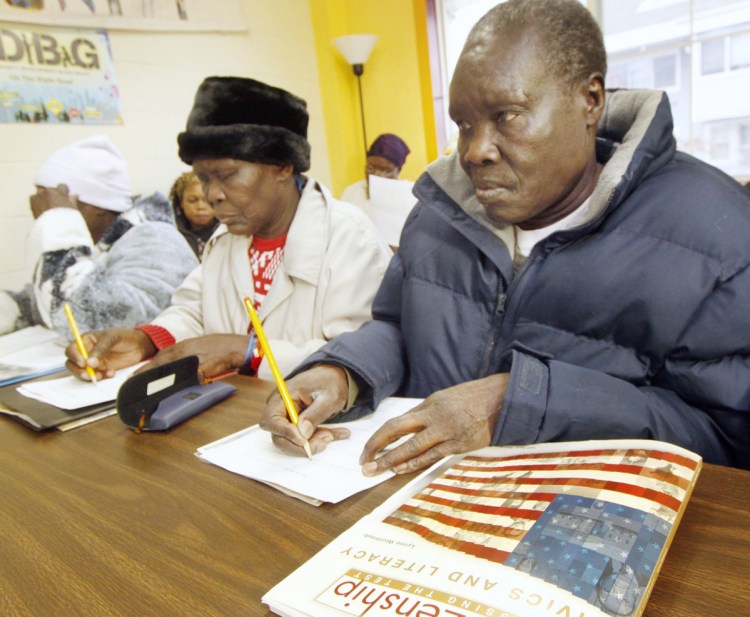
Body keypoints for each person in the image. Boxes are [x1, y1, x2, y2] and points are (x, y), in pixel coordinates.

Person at [259, 0, 750, 473]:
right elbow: (398, 329)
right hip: (418, 513)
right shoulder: (437, 215)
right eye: (464, 125)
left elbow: (728, 440)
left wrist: (519, 402)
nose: (474, 152)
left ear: (590, 100)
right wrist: (344, 373)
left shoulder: (713, 234)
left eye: (506, 116)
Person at [65, 76, 392, 382]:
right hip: (231, 420)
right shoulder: (225, 240)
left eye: (227, 175)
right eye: (204, 179)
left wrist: (245, 351)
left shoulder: (348, 237)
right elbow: (193, 311)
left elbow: (363, 357)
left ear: (282, 165)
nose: (212, 195)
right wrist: (145, 340)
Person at [0, 135, 198, 338]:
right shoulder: (103, 244)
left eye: (51, 201)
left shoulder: (157, 240)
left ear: (97, 207)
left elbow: (96, 324)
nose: (39, 208)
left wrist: (58, 221)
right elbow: (39, 305)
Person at [340, 133, 410, 218]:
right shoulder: (352, 193)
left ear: (398, 170)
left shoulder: (409, 195)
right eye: (370, 167)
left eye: (386, 170)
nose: (376, 175)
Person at [169, 170, 219, 258]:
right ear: (181, 203)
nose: (200, 207)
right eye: (192, 201)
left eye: (207, 200)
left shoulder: (228, 231)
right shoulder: (172, 233)